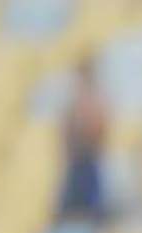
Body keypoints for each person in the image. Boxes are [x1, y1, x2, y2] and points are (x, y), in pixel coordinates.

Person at [57, 61, 108, 222]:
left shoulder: (97, 100)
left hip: (89, 162)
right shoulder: (72, 102)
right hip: (76, 163)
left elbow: (98, 132)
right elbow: (65, 134)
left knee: (92, 211)